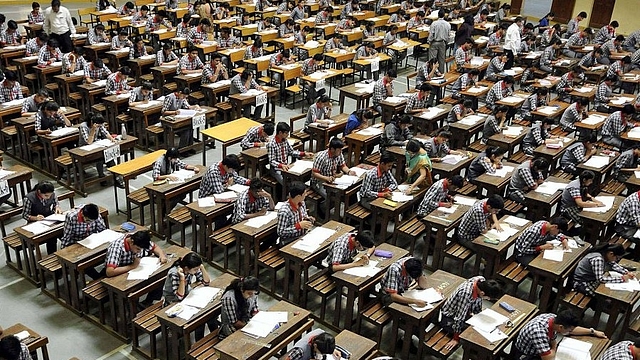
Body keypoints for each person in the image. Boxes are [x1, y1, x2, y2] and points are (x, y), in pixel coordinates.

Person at [105, 231, 167, 309]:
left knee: (159, 277)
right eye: (138, 249)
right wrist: (132, 266)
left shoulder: (141, 240)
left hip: (134, 271)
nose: (139, 251)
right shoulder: (117, 247)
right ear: (131, 242)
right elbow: (110, 271)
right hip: (119, 274)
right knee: (133, 292)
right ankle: (132, 311)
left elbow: (154, 247)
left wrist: (161, 255)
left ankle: (148, 302)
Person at [440, 276, 504, 351]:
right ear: (482, 293)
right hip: (449, 318)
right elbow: (459, 318)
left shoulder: (481, 280)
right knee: (472, 335)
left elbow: (477, 305)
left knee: (481, 330)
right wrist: (456, 338)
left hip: (466, 312)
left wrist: (480, 316)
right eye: (487, 298)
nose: (487, 300)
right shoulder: (466, 293)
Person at [162, 252, 216, 340]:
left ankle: (208, 338)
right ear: (187, 268)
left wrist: (201, 267)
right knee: (199, 318)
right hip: (172, 301)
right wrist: (182, 278)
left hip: (186, 297)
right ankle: (198, 342)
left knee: (207, 314)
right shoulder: (175, 273)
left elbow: (206, 282)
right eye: (195, 269)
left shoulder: (191, 268)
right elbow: (179, 296)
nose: (196, 271)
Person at [513, 310, 606, 359]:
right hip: (526, 355)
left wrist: (592, 331)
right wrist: (554, 345)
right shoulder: (538, 331)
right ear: (561, 327)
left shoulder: (554, 318)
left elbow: (572, 330)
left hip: (542, 347)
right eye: (569, 330)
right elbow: (548, 359)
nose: (570, 331)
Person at [79, 113, 124, 187]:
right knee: (100, 158)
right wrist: (93, 129)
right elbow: (89, 142)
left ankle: (116, 177)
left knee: (108, 155)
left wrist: (112, 139)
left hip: (97, 145)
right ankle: (102, 177)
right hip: (85, 149)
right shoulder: (83, 126)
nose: (99, 127)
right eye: (98, 125)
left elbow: (105, 133)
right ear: (92, 122)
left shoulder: (99, 124)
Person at [22, 180, 61, 253]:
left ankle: (55, 254)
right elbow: (25, 215)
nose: (48, 197)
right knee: (50, 236)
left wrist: (57, 208)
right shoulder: (29, 199)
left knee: (56, 233)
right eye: (46, 196)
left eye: (50, 195)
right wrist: (35, 218)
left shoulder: (51, 194)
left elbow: (56, 203)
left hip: (49, 220)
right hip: (35, 223)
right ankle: (51, 255)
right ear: (39, 192)